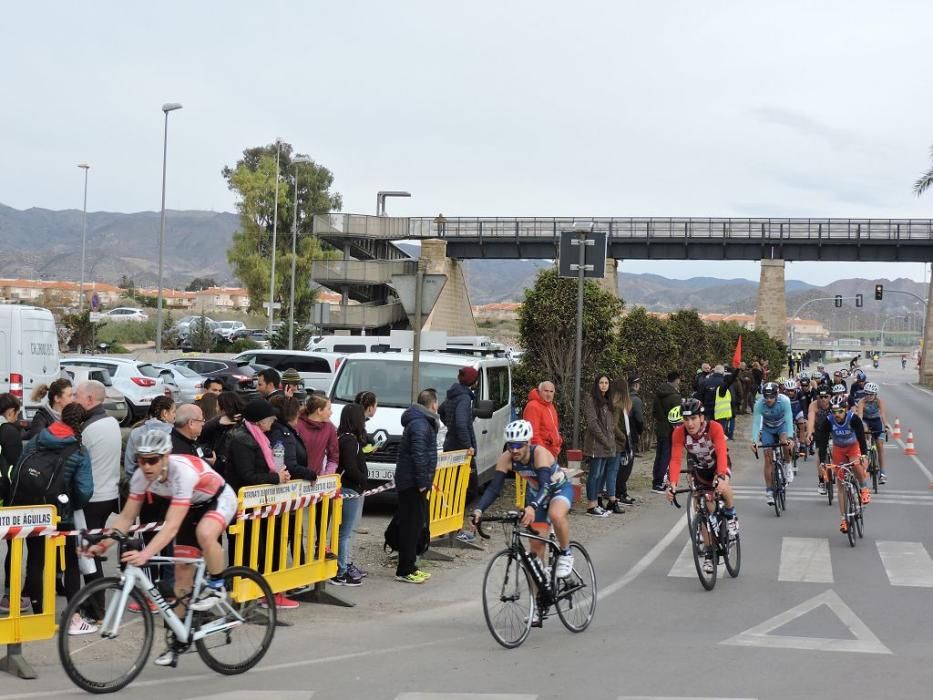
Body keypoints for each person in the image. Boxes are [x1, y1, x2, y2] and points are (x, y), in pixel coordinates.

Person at [85, 430, 236, 667]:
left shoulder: (181, 473)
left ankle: (218, 585)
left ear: (166, 457)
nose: (146, 466)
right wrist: (103, 544)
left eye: (152, 460)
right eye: (141, 460)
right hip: (191, 507)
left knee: (205, 533)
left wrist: (146, 554)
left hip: (218, 499)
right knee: (181, 580)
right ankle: (178, 642)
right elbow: (126, 518)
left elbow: (171, 526)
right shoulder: (140, 477)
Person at [471, 419, 575, 619]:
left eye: (519, 445)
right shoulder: (506, 458)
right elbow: (494, 489)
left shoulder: (539, 454)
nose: (514, 450)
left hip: (557, 490)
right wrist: (479, 510)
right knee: (534, 555)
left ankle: (566, 552)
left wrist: (532, 507)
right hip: (536, 496)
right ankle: (539, 605)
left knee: (555, 514)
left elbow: (546, 485)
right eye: (511, 445)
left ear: (527, 443)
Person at [17, 403, 94, 634]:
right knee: (70, 563)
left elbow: (22, 465)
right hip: (62, 512)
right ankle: (73, 618)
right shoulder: (79, 450)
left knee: (35, 560)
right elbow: (84, 489)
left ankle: (39, 616)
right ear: (80, 423)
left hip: (34, 510)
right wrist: (74, 505)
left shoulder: (39, 438)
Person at [226, 398, 299, 610]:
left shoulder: (259, 438)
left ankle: (257, 591)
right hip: (244, 505)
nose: (272, 423)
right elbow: (247, 475)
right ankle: (244, 595)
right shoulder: (243, 440)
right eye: (270, 419)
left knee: (260, 548)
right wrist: (275, 478)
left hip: (258, 505)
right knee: (247, 549)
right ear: (259, 421)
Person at [665, 398, 737, 574]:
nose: (689, 423)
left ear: (701, 417)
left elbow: (721, 452)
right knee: (703, 508)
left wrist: (721, 476)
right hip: (700, 468)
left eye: (694, 418)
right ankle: (710, 552)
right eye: (686, 419)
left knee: (723, 487)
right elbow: (675, 460)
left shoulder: (714, 428)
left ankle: (731, 515)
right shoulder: (679, 433)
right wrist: (672, 484)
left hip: (718, 464)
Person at [123, 395, 177, 606]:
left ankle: (150, 591)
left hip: (145, 495)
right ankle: (169, 588)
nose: (174, 416)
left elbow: (129, 466)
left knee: (148, 538)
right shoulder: (172, 433)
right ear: (164, 413)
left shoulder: (136, 432)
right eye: (173, 412)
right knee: (168, 541)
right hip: (168, 495)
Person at [74, 380, 122, 590]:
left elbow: (78, 464)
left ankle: (96, 606)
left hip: (92, 499)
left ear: (90, 399)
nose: (75, 400)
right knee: (92, 550)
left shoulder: (89, 429)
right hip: (109, 494)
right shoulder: (112, 422)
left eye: (77, 396)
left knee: (88, 555)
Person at [394, 388, 440, 584]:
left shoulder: (422, 422)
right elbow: (419, 454)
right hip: (413, 482)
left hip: (413, 481)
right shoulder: (421, 424)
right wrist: (422, 482)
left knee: (413, 524)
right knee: (411, 526)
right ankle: (406, 568)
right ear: (433, 404)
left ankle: (410, 565)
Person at [815, 395, 871, 533]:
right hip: (838, 449)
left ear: (845, 410)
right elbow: (822, 443)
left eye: (840, 411)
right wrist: (822, 461)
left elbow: (861, 438)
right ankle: (843, 519)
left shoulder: (853, 418)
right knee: (840, 485)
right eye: (834, 412)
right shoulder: (828, 421)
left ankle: (864, 489)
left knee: (855, 463)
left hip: (853, 446)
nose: (837, 415)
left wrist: (863, 454)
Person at [330, 404, 370, 587]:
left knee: (344, 532)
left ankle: (344, 566)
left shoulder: (347, 438)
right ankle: (341, 571)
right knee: (344, 533)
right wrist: (363, 479)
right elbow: (350, 467)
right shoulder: (349, 441)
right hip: (348, 489)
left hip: (349, 489)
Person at [440, 366, 480, 540]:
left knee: (452, 487)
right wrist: (468, 446)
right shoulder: (464, 398)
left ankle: (448, 524)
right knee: (468, 488)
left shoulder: (453, 394)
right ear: (473, 382)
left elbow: (441, 411)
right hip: (462, 450)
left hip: (450, 445)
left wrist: (449, 423)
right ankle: (454, 526)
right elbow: (462, 423)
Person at [750, 382, 794, 506]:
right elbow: (756, 423)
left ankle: (788, 465)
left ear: (777, 395)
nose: (768, 400)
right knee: (768, 458)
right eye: (766, 397)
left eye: (771, 397)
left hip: (782, 426)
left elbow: (789, 419)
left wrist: (790, 438)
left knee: (785, 442)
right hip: (768, 428)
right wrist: (754, 441)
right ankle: (769, 490)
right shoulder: (759, 403)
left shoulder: (784, 401)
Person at [0, 393, 24, 611]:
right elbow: (16, 470)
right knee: (13, 547)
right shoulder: (10, 432)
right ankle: (9, 596)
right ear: (10, 412)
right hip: (5, 500)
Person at [583, 374, 615, 517]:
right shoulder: (591, 399)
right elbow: (593, 423)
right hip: (596, 444)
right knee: (594, 475)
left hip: (606, 445)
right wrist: (604, 439)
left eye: (606, 382)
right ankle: (591, 505)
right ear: (596, 384)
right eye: (601, 382)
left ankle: (596, 503)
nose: (603, 385)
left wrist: (610, 441)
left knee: (600, 475)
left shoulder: (608, 401)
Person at [200, 391, 243, 478]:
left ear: (223, 409)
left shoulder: (237, 427)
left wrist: (216, 463)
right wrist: (217, 422)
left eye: (217, 406)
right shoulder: (218, 424)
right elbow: (201, 432)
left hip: (226, 472)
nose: (216, 409)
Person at [295, 393, 339, 477]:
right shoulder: (298, 424)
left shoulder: (329, 428)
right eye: (329, 409)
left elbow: (333, 456)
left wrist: (327, 476)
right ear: (319, 411)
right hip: (297, 479)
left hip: (318, 480)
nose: (331, 412)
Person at [652, 371, 682, 492]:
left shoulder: (659, 393)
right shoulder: (675, 396)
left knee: (659, 455)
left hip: (660, 428)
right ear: (677, 380)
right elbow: (677, 416)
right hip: (670, 429)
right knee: (666, 456)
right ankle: (660, 482)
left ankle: (656, 481)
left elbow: (654, 412)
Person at [607, 378, 633, 512]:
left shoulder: (617, 405)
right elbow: (614, 426)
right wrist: (623, 437)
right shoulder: (618, 407)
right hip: (617, 444)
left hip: (617, 443)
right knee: (613, 471)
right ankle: (613, 499)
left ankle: (612, 496)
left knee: (613, 471)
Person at [854, 382, 889, 483]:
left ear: (875, 394)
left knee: (880, 446)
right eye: (867, 394)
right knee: (864, 429)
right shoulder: (862, 402)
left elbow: (882, 415)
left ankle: (882, 473)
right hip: (866, 421)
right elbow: (860, 416)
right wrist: (859, 427)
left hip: (876, 421)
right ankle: (867, 446)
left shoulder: (879, 402)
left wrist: (886, 425)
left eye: (871, 394)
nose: (869, 396)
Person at [522, 381, 563, 460]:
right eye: (546, 391)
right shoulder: (533, 406)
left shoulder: (550, 405)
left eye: (551, 391)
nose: (549, 394)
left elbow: (553, 428)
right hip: (541, 454)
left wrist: (558, 441)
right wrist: (544, 453)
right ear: (539, 391)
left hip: (552, 451)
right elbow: (533, 435)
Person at [806, 387, 834, 495]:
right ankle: (821, 480)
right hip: (819, 431)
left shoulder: (834, 404)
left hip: (832, 430)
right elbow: (811, 420)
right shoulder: (813, 405)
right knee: (819, 454)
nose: (823, 399)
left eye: (826, 397)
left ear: (830, 397)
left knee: (836, 448)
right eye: (821, 397)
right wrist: (809, 434)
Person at [628, 377, 645, 454]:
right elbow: (639, 419)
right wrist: (639, 431)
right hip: (632, 432)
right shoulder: (636, 400)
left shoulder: (625, 398)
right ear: (636, 385)